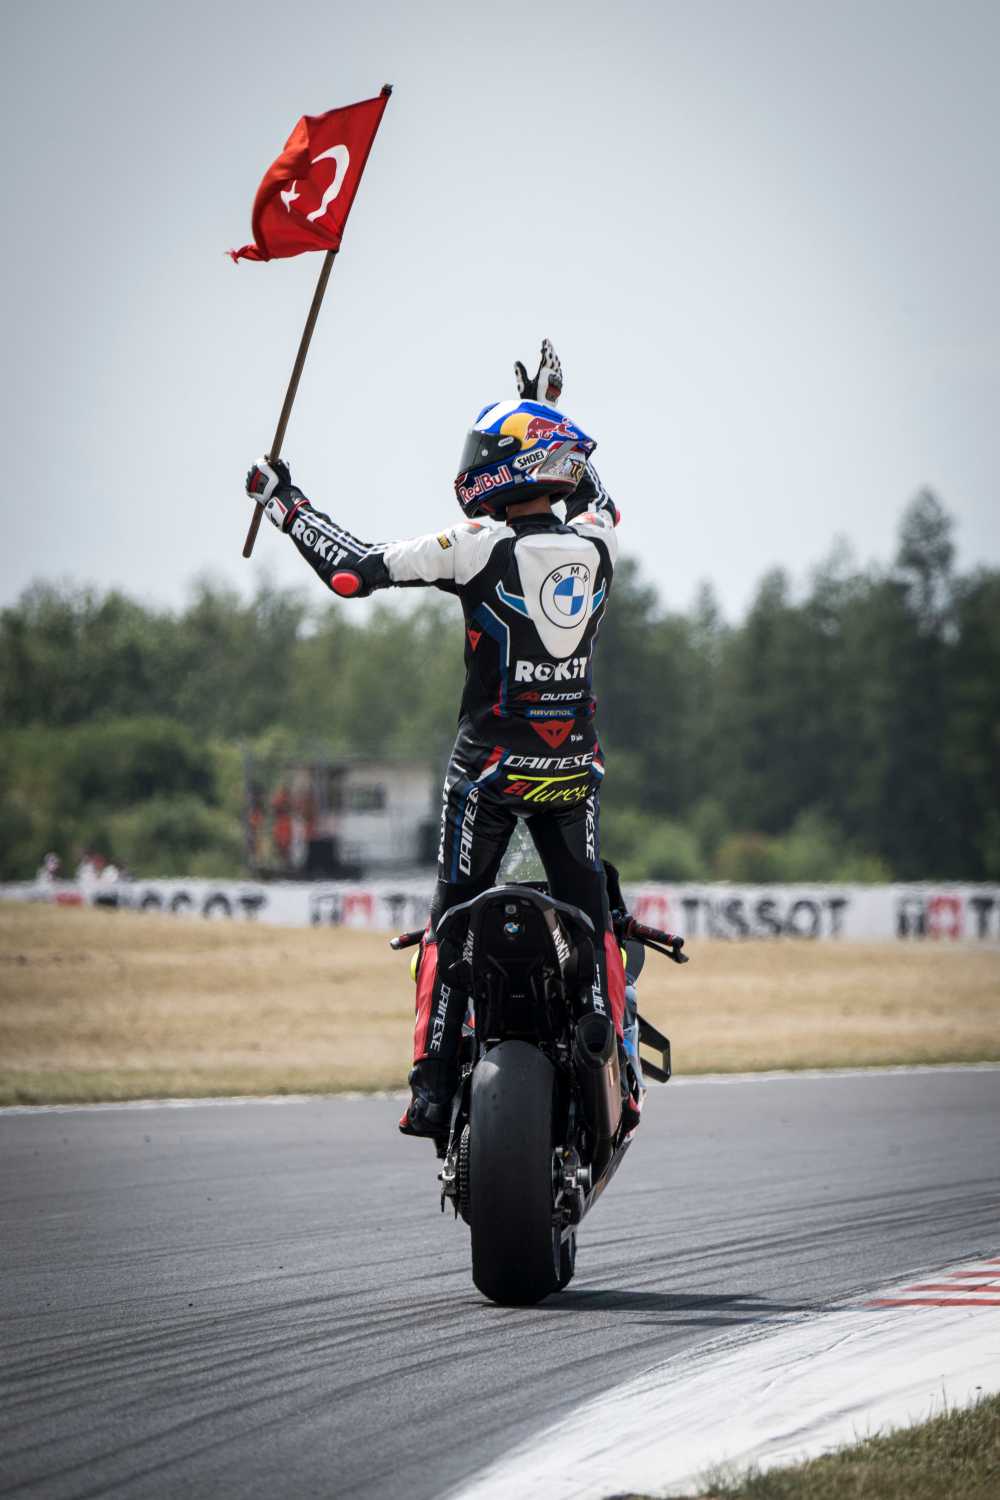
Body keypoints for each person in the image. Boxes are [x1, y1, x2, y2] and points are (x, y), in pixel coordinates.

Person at [244, 340, 634, 1141]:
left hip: (487, 779)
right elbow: (600, 496)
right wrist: (550, 406)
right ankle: (604, 1038)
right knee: (593, 912)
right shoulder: (600, 544)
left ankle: (428, 1083)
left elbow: (352, 572)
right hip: (572, 777)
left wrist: (284, 503)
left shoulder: (475, 546)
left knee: (450, 922)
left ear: (504, 468)